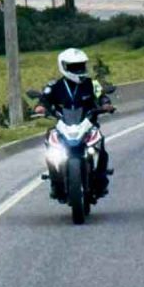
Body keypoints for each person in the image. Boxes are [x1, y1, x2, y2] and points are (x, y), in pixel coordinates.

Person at [34, 48, 114, 198]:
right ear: (64, 66)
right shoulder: (54, 86)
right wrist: (40, 107)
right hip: (63, 125)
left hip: (87, 125)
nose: (78, 70)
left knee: (100, 145)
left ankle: (101, 180)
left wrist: (106, 104)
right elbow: (43, 101)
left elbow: (102, 97)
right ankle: (55, 180)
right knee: (50, 145)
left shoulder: (92, 84)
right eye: (74, 67)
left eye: (81, 65)